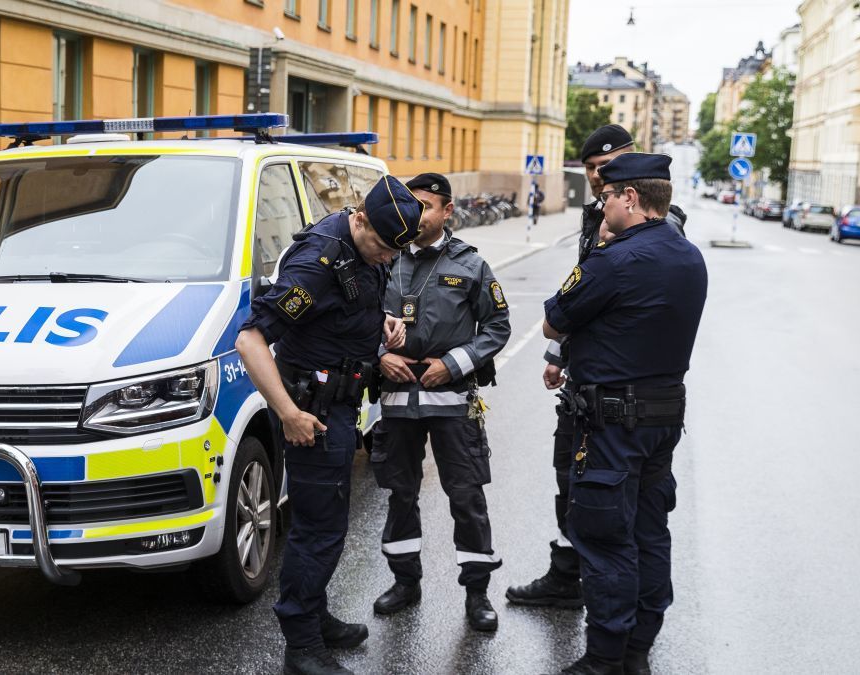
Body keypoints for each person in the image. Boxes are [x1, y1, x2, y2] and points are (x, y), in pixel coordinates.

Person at [236, 176, 423, 675]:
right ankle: (301, 645)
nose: (387, 259)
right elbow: (251, 340)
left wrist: (381, 324)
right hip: (312, 413)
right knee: (318, 531)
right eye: (382, 248)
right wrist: (289, 414)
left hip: (341, 403)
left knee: (327, 525)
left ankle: (315, 618)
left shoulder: (367, 249)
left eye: (393, 254)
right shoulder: (315, 264)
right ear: (359, 217)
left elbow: (346, 306)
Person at [541, 153, 708, 675]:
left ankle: (605, 658)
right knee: (650, 532)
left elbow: (552, 322)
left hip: (614, 423)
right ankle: (638, 648)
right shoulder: (689, 255)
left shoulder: (614, 260)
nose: (602, 205)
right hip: (663, 420)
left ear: (629, 198)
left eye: (606, 197)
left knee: (606, 536)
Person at [368, 172, 511, 632]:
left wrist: (454, 362)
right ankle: (405, 583)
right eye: (412, 205)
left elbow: (497, 326)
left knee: (466, 496)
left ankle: (476, 593)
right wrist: (381, 355)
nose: (417, 214)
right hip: (396, 401)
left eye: (426, 206)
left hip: (451, 400)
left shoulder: (471, 264)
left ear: (448, 211)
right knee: (400, 493)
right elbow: (353, 320)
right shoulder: (382, 258)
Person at [506, 124, 635, 610]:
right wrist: (558, 355)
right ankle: (566, 575)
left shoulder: (658, 220)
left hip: (617, 383)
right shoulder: (593, 216)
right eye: (594, 170)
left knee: (607, 491)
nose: (601, 176)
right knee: (568, 477)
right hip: (582, 375)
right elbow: (580, 291)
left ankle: (610, 597)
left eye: (609, 167)